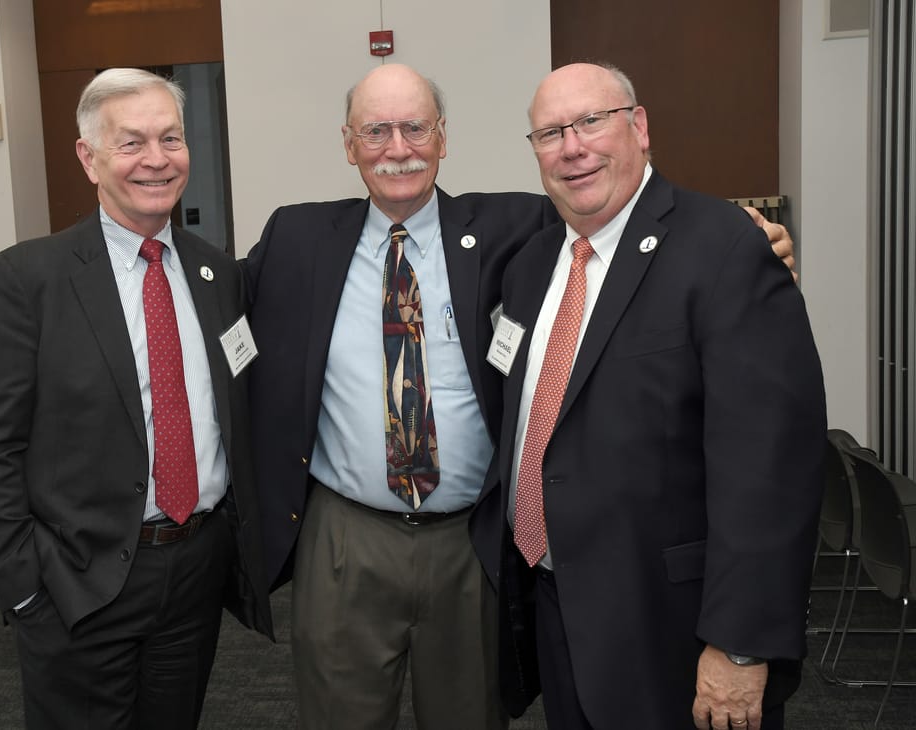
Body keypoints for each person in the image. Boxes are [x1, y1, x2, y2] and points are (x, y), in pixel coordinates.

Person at [242, 63, 796, 729]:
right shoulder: (296, 239)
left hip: (471, 540)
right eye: (376, 131)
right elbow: (207, 291)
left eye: (415, 127)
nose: (398, 148)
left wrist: (743, 234)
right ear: (348, 143)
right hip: (345, 535)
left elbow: (623, 209)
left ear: (443, 137)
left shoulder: (517, 228)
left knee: (472, 713)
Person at [483, 62, 826, 730]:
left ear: (639, 127)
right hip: (557, 606)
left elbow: (772, 467)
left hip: (675, 630)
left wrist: (740, 644)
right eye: (551, 133)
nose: (573, 146)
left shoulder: (724, 248)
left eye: (591, 121)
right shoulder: (528, 267)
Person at [0, 68, 271, 729]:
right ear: (88, 157)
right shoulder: (29, 280)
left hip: (194, 571)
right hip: (77, 582)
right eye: (131, 143)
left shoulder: (216, 272)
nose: (156, 160)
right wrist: (25, 592)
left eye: (171, 139)